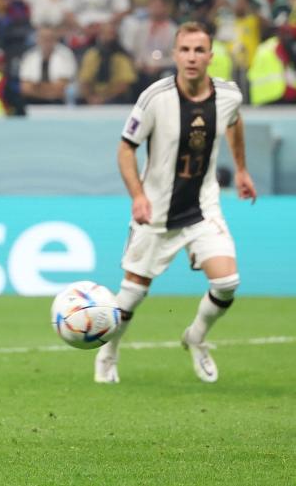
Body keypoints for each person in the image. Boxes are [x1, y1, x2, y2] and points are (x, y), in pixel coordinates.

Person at [95, 22, 257, 385]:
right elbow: (125, 149)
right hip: (157, 211)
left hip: (202, 207)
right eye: (185, 50)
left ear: (211, 56)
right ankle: (108, 352)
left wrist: (242, 170)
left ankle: (196, 337)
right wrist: (138, 195)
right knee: (133, 293)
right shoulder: (156, 98)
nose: (192, 58)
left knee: (228, 282)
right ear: (174, 54)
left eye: (199, 50)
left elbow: (235, 122)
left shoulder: (229, 96)